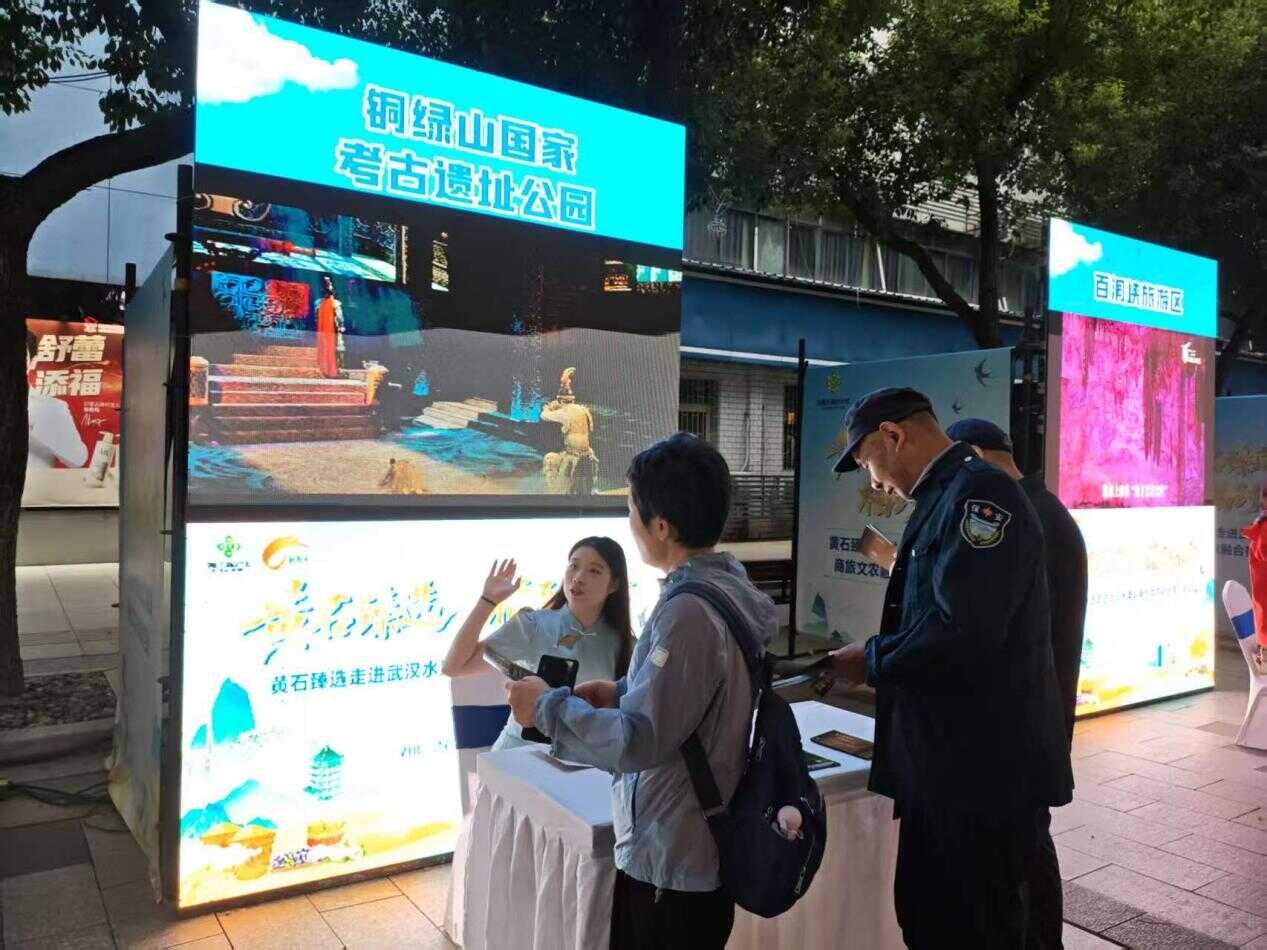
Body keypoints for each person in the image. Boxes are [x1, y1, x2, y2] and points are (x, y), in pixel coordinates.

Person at [505, 433, 778, 950]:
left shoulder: (687, 612)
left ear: (661, 526)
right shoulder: (724, 586)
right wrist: (622, 690)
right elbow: (696, 695)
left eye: (631, 508)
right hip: (687, 846)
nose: (629, 522)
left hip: (672, 860)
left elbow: (640, 740)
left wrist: (544, 708)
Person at [828, 388, 1072, 949]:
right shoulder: (946, 497)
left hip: (979, 781)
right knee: (929, 920)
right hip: (947, 772)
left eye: (867, 463)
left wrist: (872, 659)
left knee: (972, 928)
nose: (873, 483)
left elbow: (963, 631)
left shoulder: (980, 495)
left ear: (893, 435)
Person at [946, 417, 1087, 949]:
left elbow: (995, 626)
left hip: (1024, 722)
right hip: (1038, 716)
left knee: (1019, 856)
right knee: (1029, 845)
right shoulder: (1043, 510)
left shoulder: (1024, 518)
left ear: (974, 455)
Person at [441, 537, 635, 750]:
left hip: (586, 762)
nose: (578, 577)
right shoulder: (533, 625)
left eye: (594, 571)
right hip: (519, 755)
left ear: (614, 584)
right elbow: (454, 666)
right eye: (574, 566)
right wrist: (487, 601)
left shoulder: (626, 645)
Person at [26, 330, 89, 470]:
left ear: (33, 362)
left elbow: (78, 459)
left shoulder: (52, 407)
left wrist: (36, 424)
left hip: (35, 483)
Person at [315, 275, 344, 379]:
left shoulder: (319, 304)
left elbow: (316, 317)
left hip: (323, 330)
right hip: (332, 329)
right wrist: (341, 326)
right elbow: (340, 317)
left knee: (325, 348)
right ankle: (333, 370)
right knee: (335, 348)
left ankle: (325, 369)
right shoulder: (334, 303)